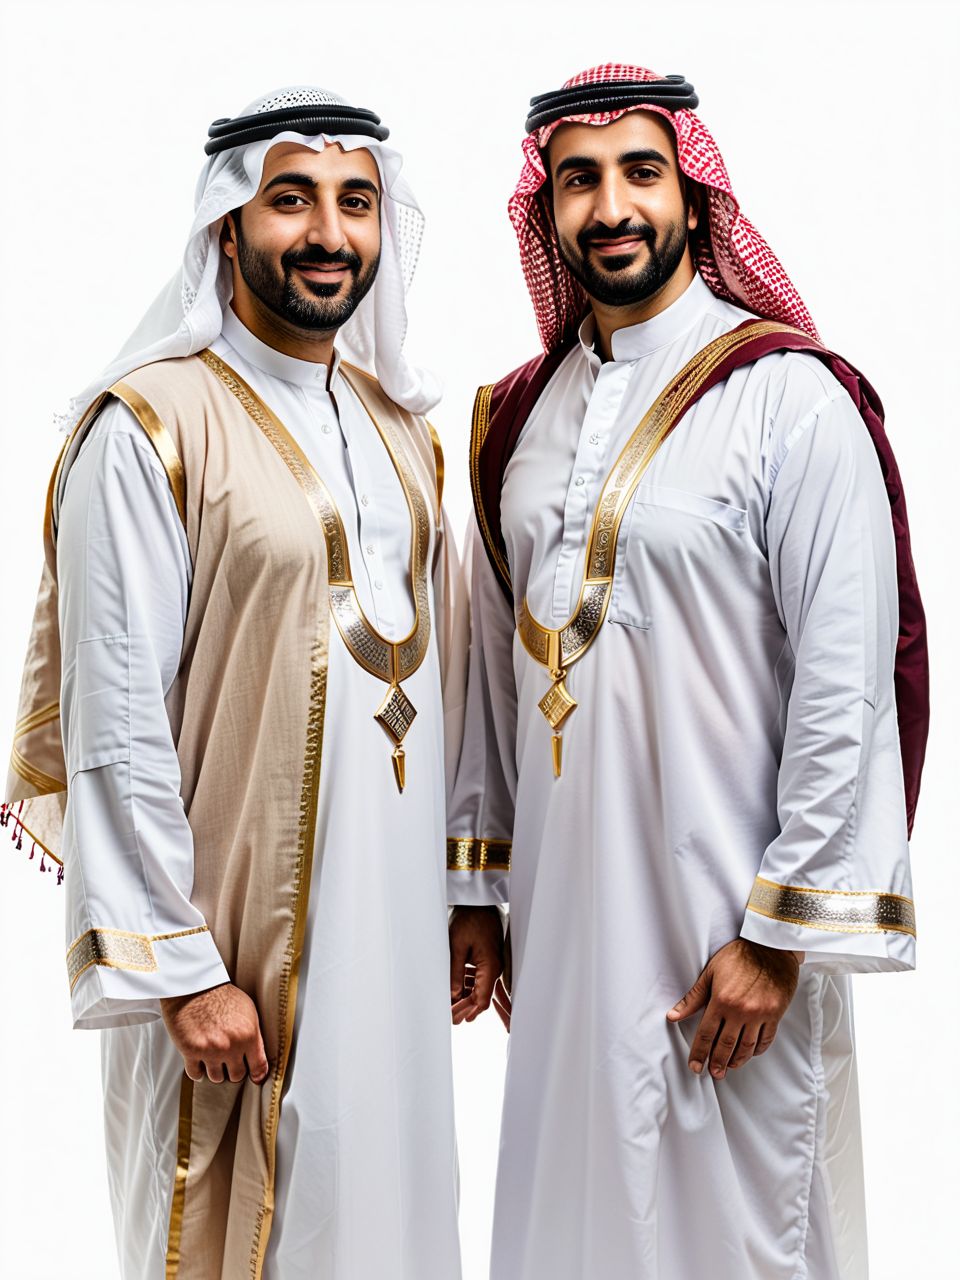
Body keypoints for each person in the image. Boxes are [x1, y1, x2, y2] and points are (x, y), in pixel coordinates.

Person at [447, 64, 928, 1279]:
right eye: (579, 180)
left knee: (740, 1236)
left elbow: (847, 679)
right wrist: (479, 888)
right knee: (574, 1228)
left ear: (696, 196)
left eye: (641, 173)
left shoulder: (791, 396)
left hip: (726, 937)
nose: (612, 207)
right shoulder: (517, 420)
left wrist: (780, 932)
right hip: (563, 932)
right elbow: (492, 675)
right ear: (545, 208)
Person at [3, 86, 465, 1280]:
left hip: (394, 946)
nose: (328, 233)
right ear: (226, 224)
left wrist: (470, 891)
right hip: (234, 964)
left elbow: (450, 678)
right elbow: (114, 717)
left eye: (356, 202)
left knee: (391, 1226)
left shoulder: (401, 428)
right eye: (290, 199)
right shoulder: (146, 428)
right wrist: (181, 965)